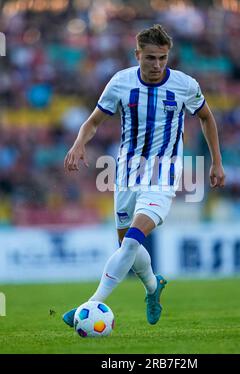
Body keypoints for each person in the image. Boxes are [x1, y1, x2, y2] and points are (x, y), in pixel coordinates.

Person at [62, 24, 225, 327]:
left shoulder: (185, 85)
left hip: (163, 176)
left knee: (132, 242)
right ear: (137, 55)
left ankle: (89, 304)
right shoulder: (121, 83)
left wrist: (216, 161)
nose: (157, 65)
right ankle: (153, 287)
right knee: (128, 246)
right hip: (125, 175)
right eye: (150, 58)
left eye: (162, 58)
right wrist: (78, 143)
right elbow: (94, 121)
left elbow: (206, 117)